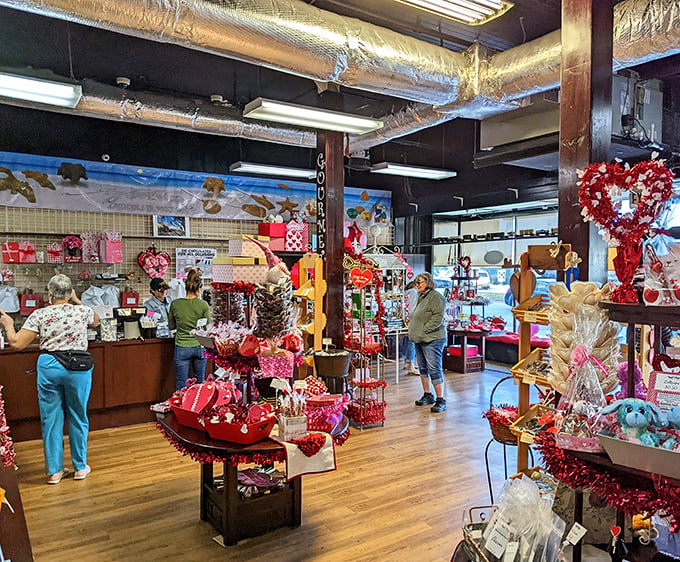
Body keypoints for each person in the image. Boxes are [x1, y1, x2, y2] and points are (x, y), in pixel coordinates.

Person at [0, 274, 100, 484]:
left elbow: (17, 343)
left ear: (50, 294)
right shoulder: (82, 311)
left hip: (49, 365)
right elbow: (96, 322)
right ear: (70, 292)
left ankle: (54, 471)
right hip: (78, 368)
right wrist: (77, 300)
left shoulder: (40, 314)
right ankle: (80, 467)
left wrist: (8, 324)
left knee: (51, 418)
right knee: (78, 415)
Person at [409, 272, 447, 413]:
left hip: (432, 339)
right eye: (416, 282)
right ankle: (427, 394)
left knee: (434, 368)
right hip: (419, 338)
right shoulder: (421, 296)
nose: (417, 285)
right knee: (423, 368)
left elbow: (438, 318)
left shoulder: (436, 297)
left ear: (428, 282)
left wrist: (424, 330)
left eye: (420, 282)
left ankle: (440, 399)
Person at [168, 268, 211, 391]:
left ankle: (180, 407)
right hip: (200, 347)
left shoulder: (175, 304)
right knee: (199, 382)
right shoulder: (203, 305)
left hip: (182, 346)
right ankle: (198, 407)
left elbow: (171, 326)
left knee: (181, 382)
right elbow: (207, 326)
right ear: (199, 290)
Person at [403, 280, 419, 375]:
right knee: (412, 341)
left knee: (408, 340)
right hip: (412, 318)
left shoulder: (406, 292)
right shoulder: (413, 292)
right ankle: (411, 364)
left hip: (405, 318)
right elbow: (412, 307)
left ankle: (407, 361)